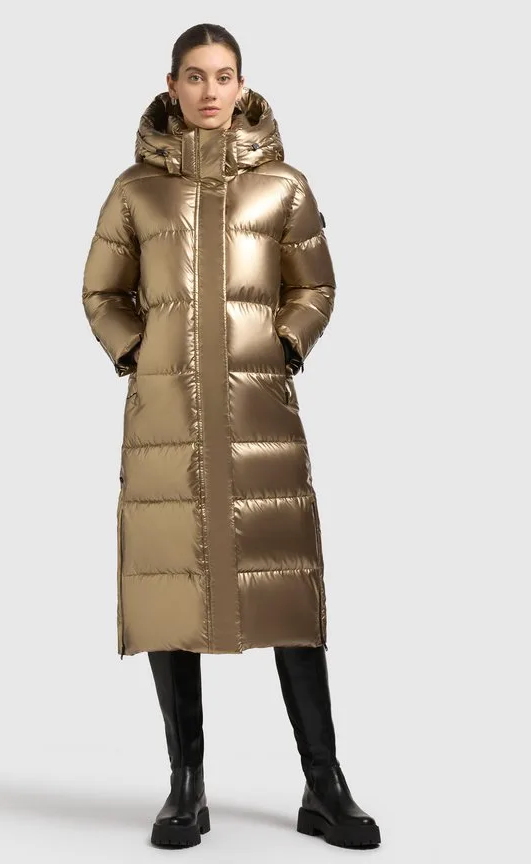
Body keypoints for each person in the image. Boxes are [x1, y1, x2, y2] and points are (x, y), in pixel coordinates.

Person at [82, 22, 380, 851]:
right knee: (170, 589)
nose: (209, 91)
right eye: (194, 75)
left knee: (289, 591)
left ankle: (325, 785)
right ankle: (187, 785)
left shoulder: (283, 186)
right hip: (167, 422)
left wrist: (284, 344)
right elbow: (101, 292)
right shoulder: (135, 192)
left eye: (223, 76)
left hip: (260, 416)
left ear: (242, 85)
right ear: (171, 85)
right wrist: (138, 353)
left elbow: (314, 286)